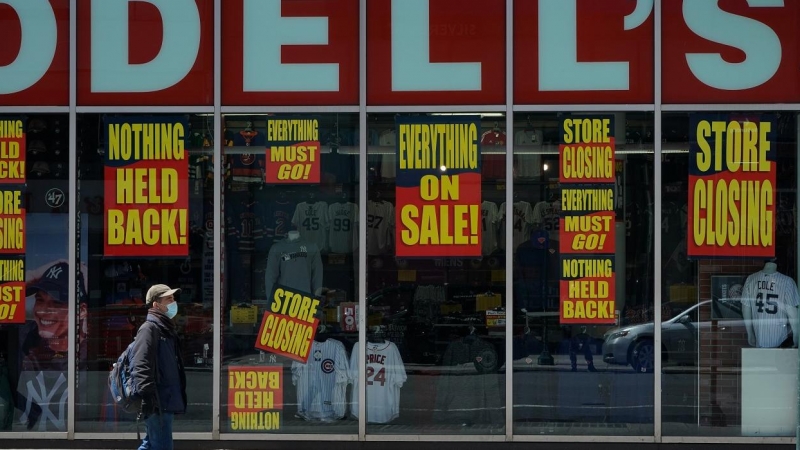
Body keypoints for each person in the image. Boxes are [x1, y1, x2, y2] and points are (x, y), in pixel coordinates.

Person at [131, 284, 187, 450]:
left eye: (173, 298)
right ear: (156, 305)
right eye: (169, 299)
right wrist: (149, 397)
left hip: (166, 399)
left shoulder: (166, 329)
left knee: (151, 444)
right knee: (162, 446)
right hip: (158, 401)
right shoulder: (149, 329)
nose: (173, 302)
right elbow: (140, 365)